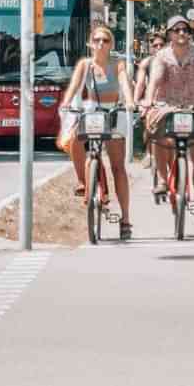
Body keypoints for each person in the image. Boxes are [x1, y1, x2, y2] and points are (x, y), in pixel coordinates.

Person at [142, 15, 194, 237]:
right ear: (169, 34)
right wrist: (148, 101)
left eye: (185, 30)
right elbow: (155, 81)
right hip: (168, 106)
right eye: (176, 30)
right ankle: (160, 176)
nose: (181, 34)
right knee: (154, 126)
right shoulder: (162, 56)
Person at [60, 24, 135, 240]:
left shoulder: (117, 64)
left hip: (113, 112)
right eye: (97, 40)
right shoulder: (85, 65)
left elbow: (125, 84)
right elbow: (74, 87)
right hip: (92, 111)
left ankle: (126, 218)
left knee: (118, 166)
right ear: (90, 43)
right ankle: (84, 181)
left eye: (105, 40)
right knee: (75, 139)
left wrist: (129, 102)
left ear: (111, 44)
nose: (101, 44)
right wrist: (66, 103)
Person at [133, 33, 166, 167]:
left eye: (161, 45)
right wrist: (135, 101)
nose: (158, 48)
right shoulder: (146, 63)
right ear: (151, 48)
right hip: (151, 101)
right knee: (147, 124)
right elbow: (140, 84)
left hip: (171, 101)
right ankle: (149, 153)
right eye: (155, 45)